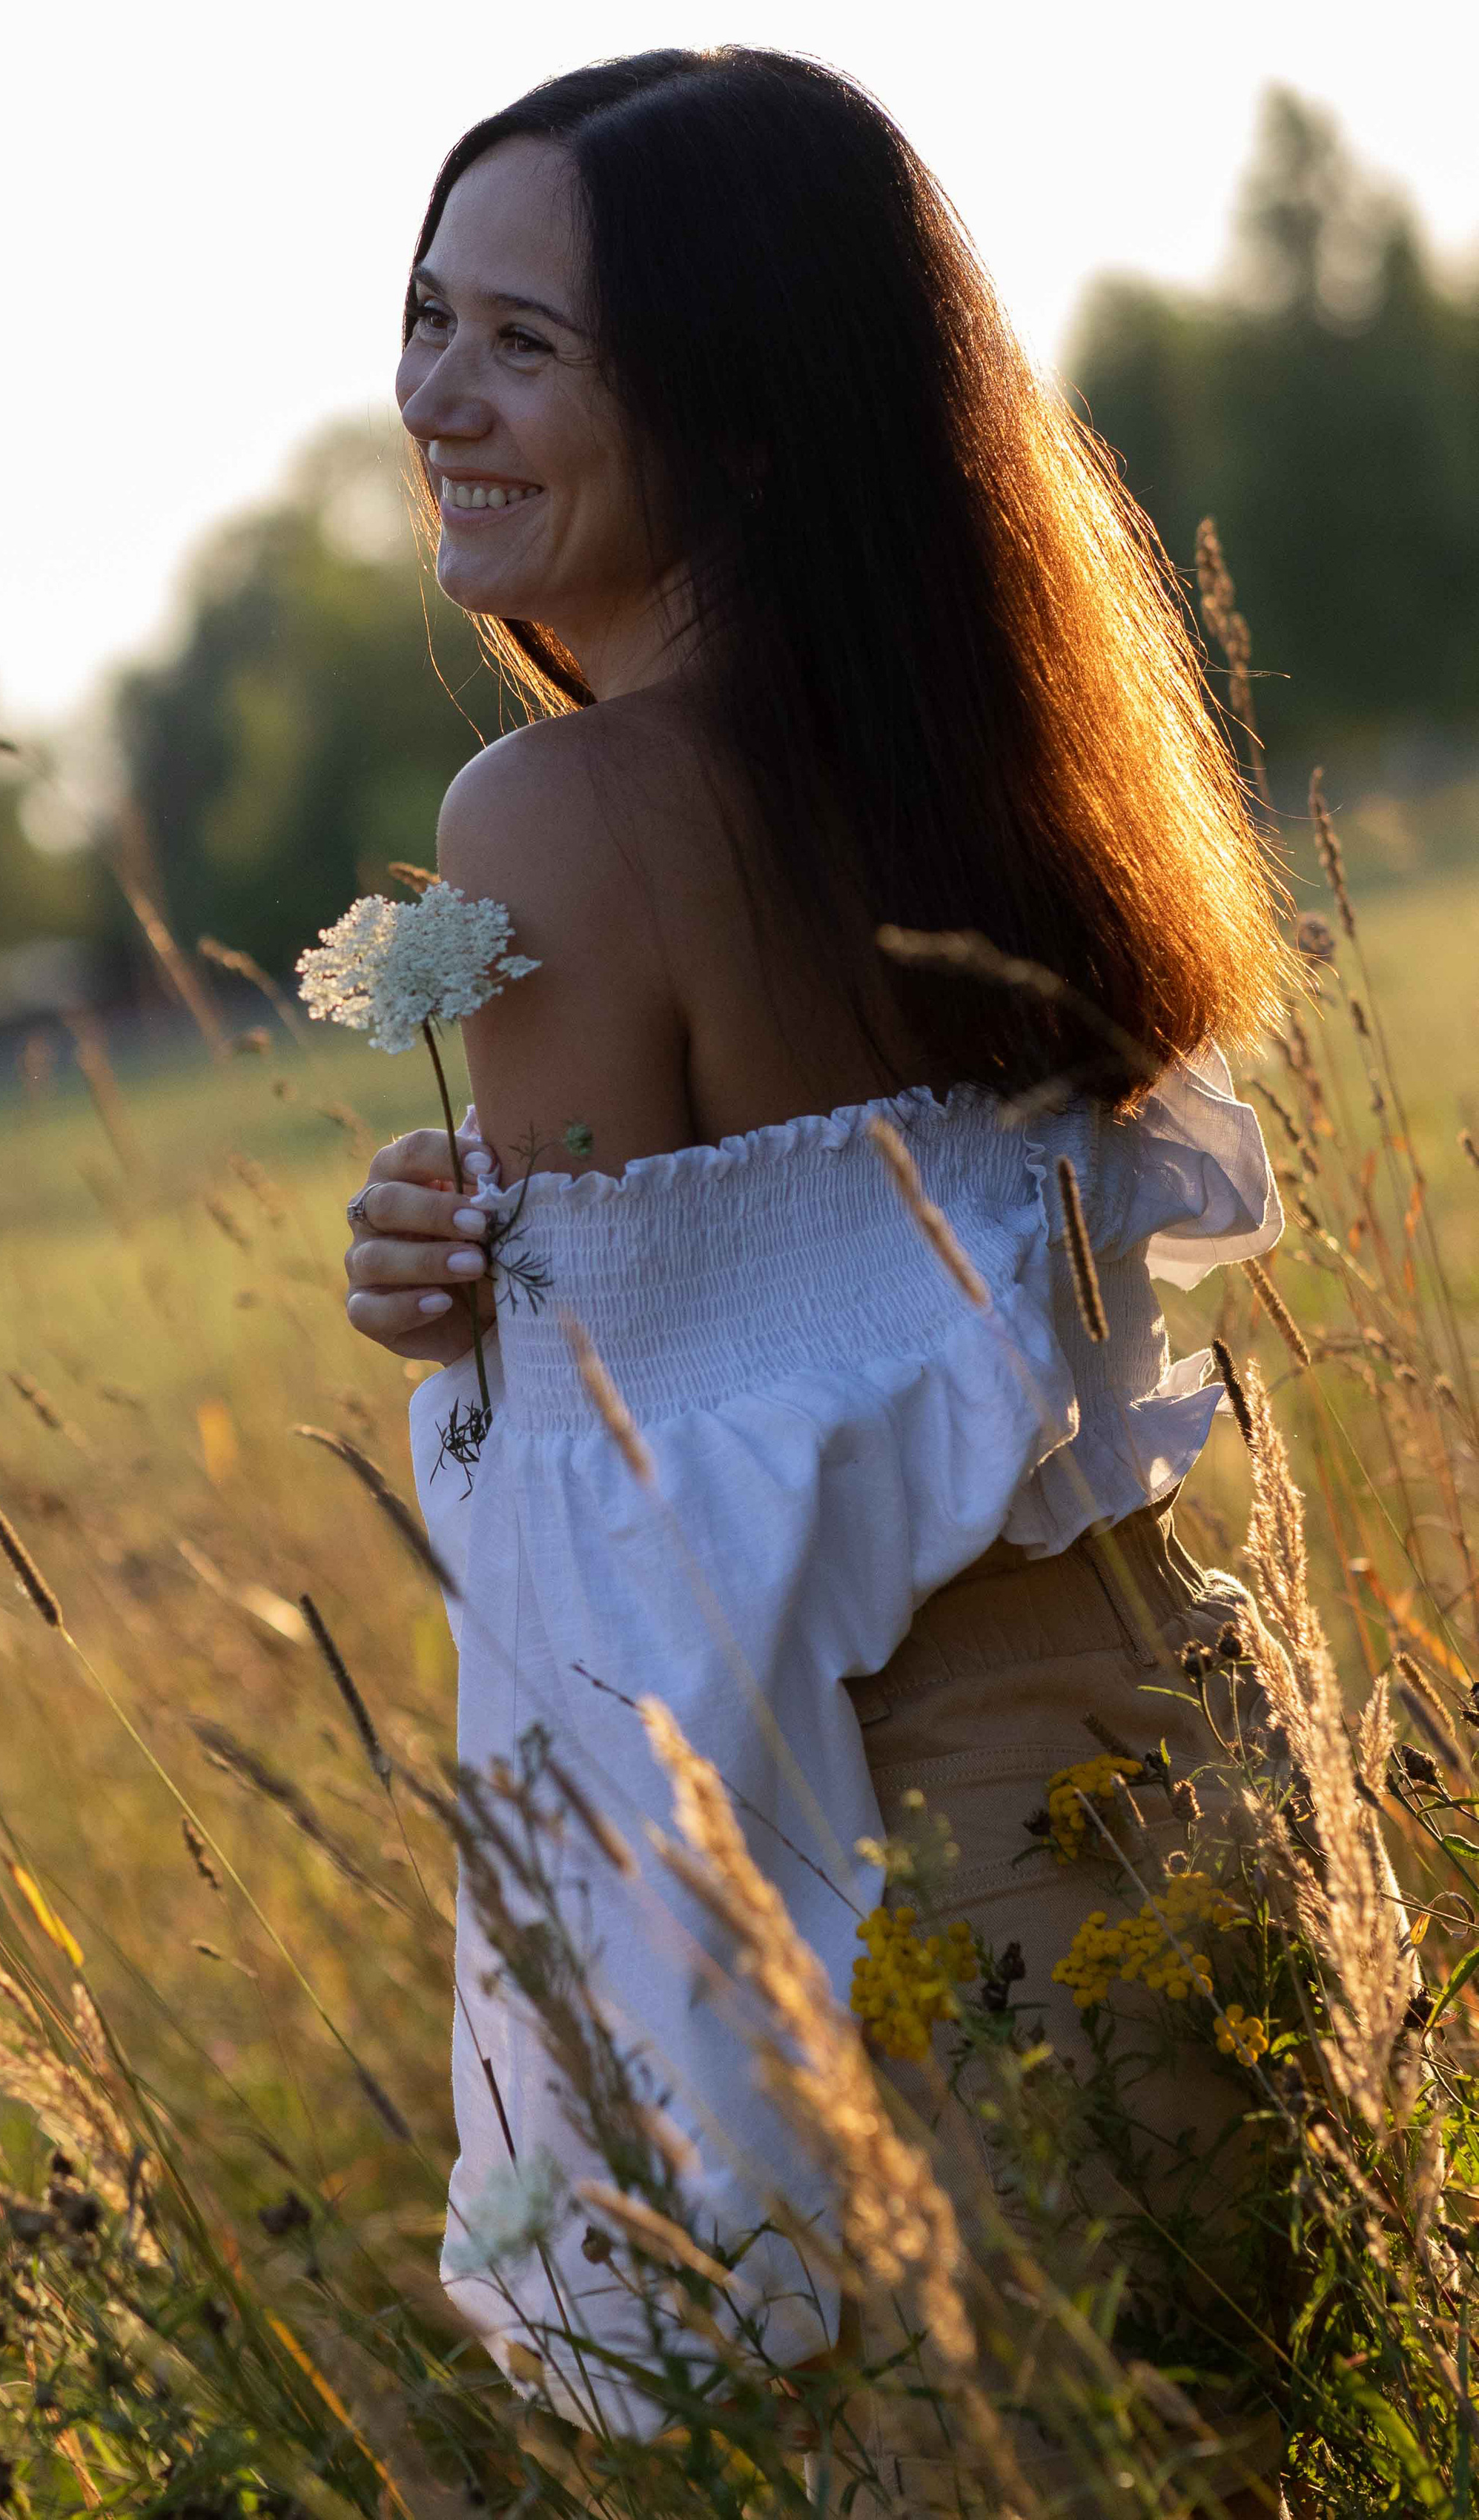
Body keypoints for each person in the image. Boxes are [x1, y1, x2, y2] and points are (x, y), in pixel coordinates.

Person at [339, 47, 1288, 2507]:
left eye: (524, 344)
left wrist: (482, 1358)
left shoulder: (551, 812)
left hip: (915, 1867)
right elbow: (824, 1319)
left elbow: (611, 1547)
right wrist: (513, 1297)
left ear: (741, 419)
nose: (434, 393)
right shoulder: (999, 755)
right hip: (1195, 1762)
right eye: (428, 314)